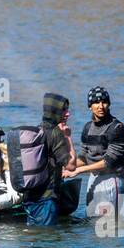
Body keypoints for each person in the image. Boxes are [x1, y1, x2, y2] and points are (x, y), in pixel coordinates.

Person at [66, 86, 124, 218]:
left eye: (104, 102)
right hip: (94, 178)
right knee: (93, 221)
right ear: (90, 106)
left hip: (112, 180)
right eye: (96, 102)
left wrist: (78, 171)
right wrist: (68, 167)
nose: (101, 106)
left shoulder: (116, 128)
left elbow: (109, 162)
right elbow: (86, 157)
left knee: (109, 225)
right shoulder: (87, 128)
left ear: (109, 105)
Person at [21, 92, 80, 226]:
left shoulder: (37, 131)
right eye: (63, 109)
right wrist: (68, 137)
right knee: (49, 242)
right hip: (46, 200)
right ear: (54, 111)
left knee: (36, 241)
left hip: (30, 199)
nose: (68, 114)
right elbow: (71, 165)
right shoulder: (55, 133)